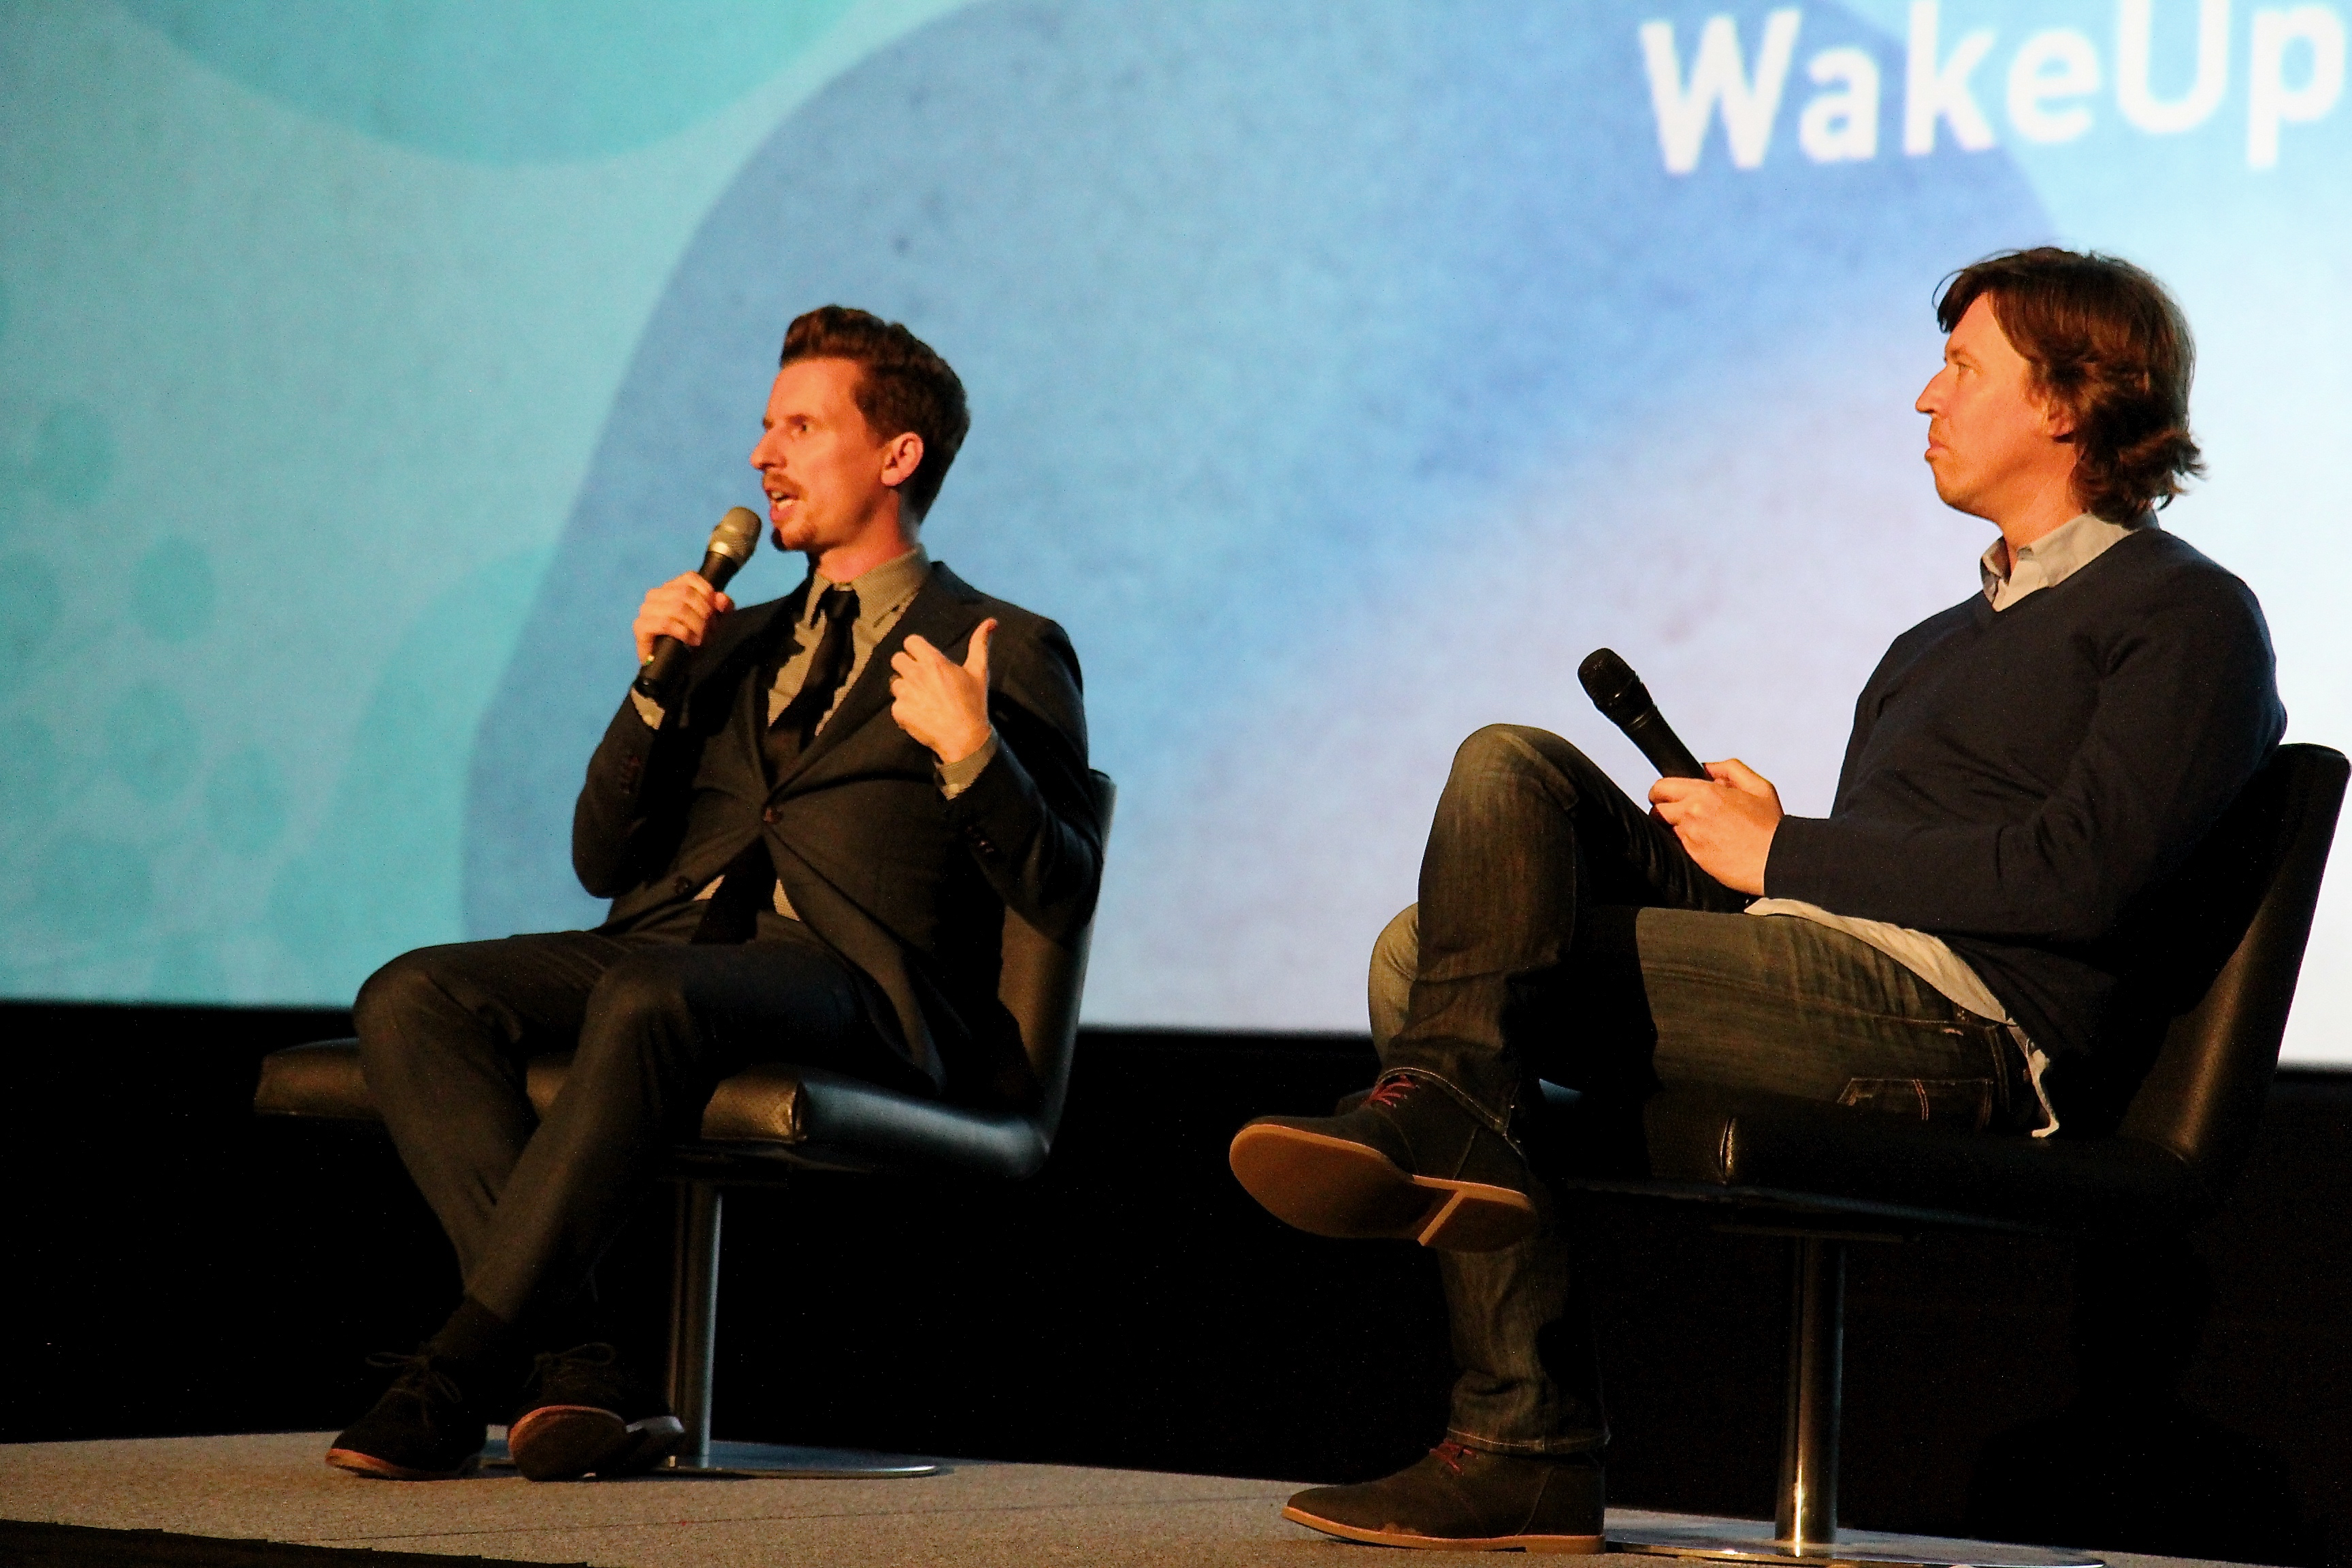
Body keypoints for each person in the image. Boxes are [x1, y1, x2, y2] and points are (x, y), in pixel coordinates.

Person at [1229, 248, 2285, 1552]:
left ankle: (1520, 1432)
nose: (1923, 398)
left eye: (1961, 366)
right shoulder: (1929, 649)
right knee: (1483, 820)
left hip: (1966, 1034)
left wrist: (1787, 853)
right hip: (1825, 976)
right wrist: (1757, 853)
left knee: (1436, 988)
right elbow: (1840, 890)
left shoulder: (2185, 614)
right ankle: (1476, 1228)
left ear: (2067, 403)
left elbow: (2085, 875)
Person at [332, 306, 1102, 1482]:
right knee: (412, 994)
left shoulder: (1001, 640)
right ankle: (581, 1362)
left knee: (652, 994)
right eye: (763, 426)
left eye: (800, 425)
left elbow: (1060, 887)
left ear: (897, 457)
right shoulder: (732, 638)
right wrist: (651, 690)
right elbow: (602, 861)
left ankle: (459, 1371)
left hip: (856, 983)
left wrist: (971, 755)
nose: (763, 456)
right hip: (674, 944)